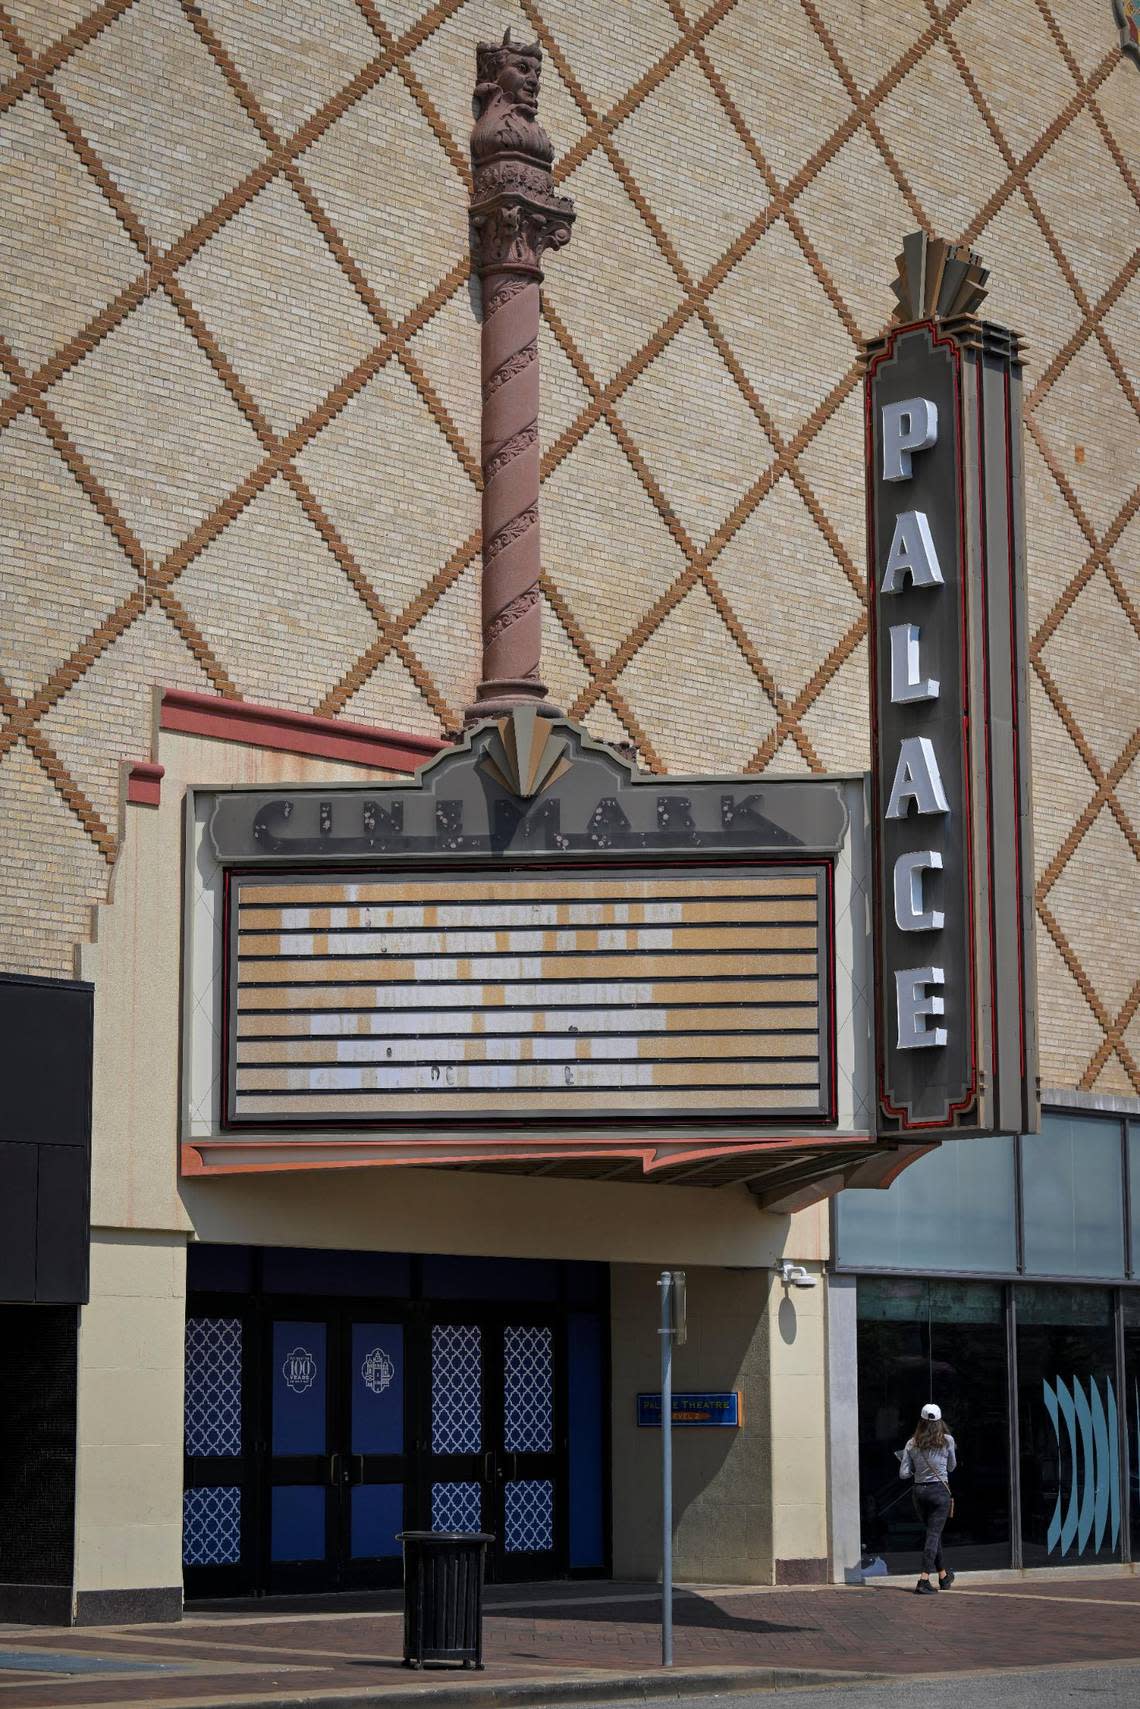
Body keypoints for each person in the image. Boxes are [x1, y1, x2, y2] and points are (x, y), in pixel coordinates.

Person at [898, 1402, 956, 1594]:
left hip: (919, 1493)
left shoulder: (912, 1443)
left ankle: (943, 1576)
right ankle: (924, 1579)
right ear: (940, 1421)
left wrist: (917, 1467)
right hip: (940, 1492)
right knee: (933, 1534)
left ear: (921, 1422)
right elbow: (951, 1467)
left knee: (933, 1533)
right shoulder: (947, 1441)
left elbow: (904, 1473)